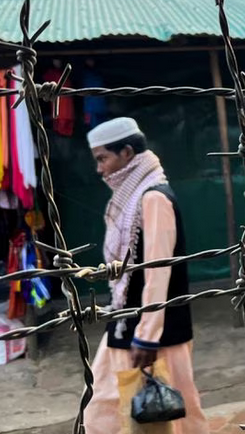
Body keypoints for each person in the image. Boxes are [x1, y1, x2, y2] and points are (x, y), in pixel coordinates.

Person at [84, 117, 209, 434]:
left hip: (153, 336)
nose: (100, 169)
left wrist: (147, 336)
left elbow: (157, 271)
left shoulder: (153, 198)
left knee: (175, 416)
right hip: (125, 325)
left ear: (126, 153)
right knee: (105, 410)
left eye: (103, 158)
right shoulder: (131, 199)